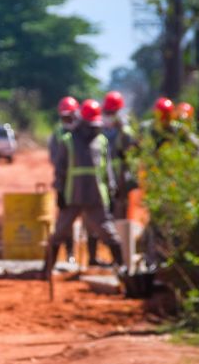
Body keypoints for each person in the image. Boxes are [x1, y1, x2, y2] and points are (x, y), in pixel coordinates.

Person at [48, 99, 123, 273]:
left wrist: (111, 192)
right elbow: (60, 169)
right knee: (60, 232)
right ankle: (47, 270)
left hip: (96, 197)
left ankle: (123, 269)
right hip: (72, 196)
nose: (92, 129)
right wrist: (59, 192)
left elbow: (107, 171)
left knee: (107, 232)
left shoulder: (101, 141)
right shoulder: (68, 140)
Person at [48, 96, 82, 264]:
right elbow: (55, 159)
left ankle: (92, 256)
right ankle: (69, 253)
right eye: (64, 117)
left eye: (70, 116)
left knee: (92, 220)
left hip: (84, 183)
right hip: (66, 182)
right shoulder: (58, 134)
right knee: (65, 219)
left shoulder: (84, 131)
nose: (67, 120)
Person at [102, 90, 137, 220]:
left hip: (121, 174)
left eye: (112, 112)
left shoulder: (125, 131)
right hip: (103, 173)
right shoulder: (100, 127)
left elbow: (131, 151)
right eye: (107, 112)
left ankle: (119, 226)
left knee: (120, 205)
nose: (109, 116)